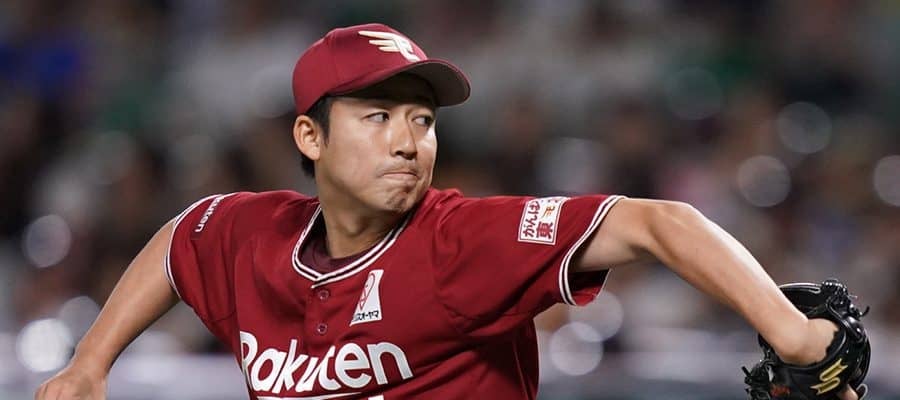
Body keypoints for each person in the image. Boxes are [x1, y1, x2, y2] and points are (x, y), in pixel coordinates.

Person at [36, 23, 860, 400]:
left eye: (423, 120)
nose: (408, 142)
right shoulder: (255, 234)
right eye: (378, 117)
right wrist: (90, 364)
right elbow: (184, 236)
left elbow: (659, 223)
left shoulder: (460, 241)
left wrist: (790, 333)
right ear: (310, 137)